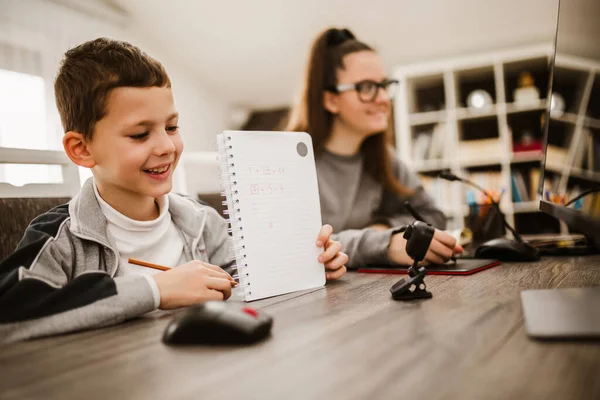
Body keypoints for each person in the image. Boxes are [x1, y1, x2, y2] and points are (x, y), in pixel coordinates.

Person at [0, 38, 347, 343]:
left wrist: (308, 266)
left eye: (172, 126)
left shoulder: (200, 221)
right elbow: (9, 313)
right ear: (82, 149)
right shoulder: (60, 239)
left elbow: (249, 285)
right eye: (140, 134)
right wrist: (155, 290)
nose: (166, 145)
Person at [287, 27, 463, 268]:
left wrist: (383, 227)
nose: (383, 99)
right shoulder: (289, 163)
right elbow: (297, 248)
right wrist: (382, 243)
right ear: (331, 100)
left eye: (384, 85)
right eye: (367, 87)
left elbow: (433, 216)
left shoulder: (383, 159)